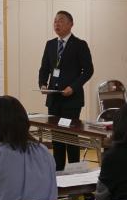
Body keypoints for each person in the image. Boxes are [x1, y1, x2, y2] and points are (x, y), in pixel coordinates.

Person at [38, 10, 95, 170]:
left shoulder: (80, 45)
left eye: (61, 20)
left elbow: (88, 71)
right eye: (55, 21)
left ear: (71, 24)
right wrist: (43, 84)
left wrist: (73, 87)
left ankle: (74, 170)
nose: (57, 24)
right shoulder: (50, 44)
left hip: (71, 99)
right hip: (54, 98)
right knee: (56, 136)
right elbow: (44, 68)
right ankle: (58, 170)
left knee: (70, 135)